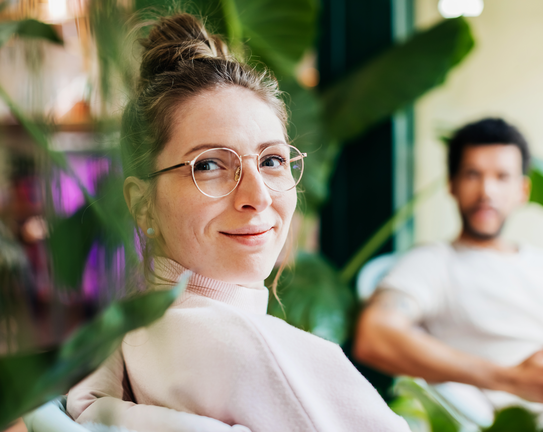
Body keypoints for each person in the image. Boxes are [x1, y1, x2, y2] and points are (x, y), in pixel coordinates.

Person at [65, 13, 411, 432]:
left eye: (272, 161)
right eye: (209, 164)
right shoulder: (263, 357)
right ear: (142, 205)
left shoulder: (134, 339)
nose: (258, 196)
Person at [353, 118, 543, 431]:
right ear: (452, 184)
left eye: (502, 177)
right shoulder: (433, 264)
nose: (487, 190)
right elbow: (375, 335)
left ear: (522, 190)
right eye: (473, 174)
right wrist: (510, 379)